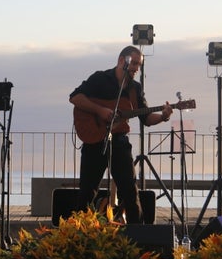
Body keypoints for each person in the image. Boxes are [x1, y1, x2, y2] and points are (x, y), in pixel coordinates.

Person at [69, 45, 172, 224]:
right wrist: (100, 110)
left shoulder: (135, 89)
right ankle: (77, 236)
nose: (136, 69)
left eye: (139, 66)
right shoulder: (100, 78)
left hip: (119, 143)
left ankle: (138, 238)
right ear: (121, 61)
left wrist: (163, 116)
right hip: (94, 141)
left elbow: (146, 118)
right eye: (134, 64)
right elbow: (75, 97)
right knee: (87, 192)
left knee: (131, 193)